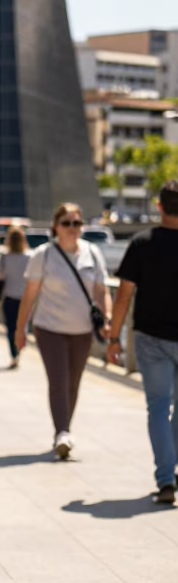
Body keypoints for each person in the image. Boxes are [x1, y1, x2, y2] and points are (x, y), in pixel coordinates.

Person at [15, 202, 111, 460]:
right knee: (58, 380)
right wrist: (19, 328)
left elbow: (102, 290)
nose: (72, 228)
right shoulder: (43, 255)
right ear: (56, 226)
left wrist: (108, 316)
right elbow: (30, 295)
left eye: (77, 223)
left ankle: (64, 428)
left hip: (82, 330)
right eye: (66, 223)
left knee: (74, 381)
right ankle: (63, 431)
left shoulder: (92, 253)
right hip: (49, 328)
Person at [107, 180, 178, 502]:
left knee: (158, 407)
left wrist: (113, 337)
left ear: (159, 206)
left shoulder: (142, 243)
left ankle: (166, 478)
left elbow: (123, 295)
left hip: (150, 338)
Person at [0, 225, 30, 368]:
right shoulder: (29, 257)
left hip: (9, 296)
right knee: (22, 325)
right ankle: (20, 347)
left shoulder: (5, 257)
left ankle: (14, 354)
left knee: (10, 328)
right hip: (25, 298)